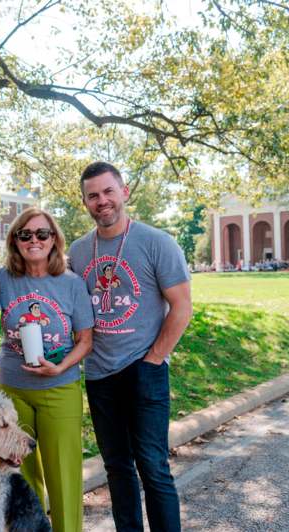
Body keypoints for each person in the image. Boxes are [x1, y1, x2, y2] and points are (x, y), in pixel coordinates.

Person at [68, 162, 192, 532]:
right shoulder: (77, 251)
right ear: (85, 202)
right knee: (117, 468)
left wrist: (153, 360)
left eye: (108, 191)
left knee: (153, 465)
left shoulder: (156, 242)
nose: (101, 201)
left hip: (145, 370)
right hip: (100, 375)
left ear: (124, 193)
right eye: (93, 195)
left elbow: (182, 307)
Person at [0, 207, 94, 532]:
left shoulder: (71, 284)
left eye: (42, 233)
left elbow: (85, 340)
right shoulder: (2, 280)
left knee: (63, 475)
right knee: (19, 478)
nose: (33, 240)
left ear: (54, 240)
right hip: (11, 390)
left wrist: (61, 366)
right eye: (25, 234)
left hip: (59, 388)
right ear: (15, 240)